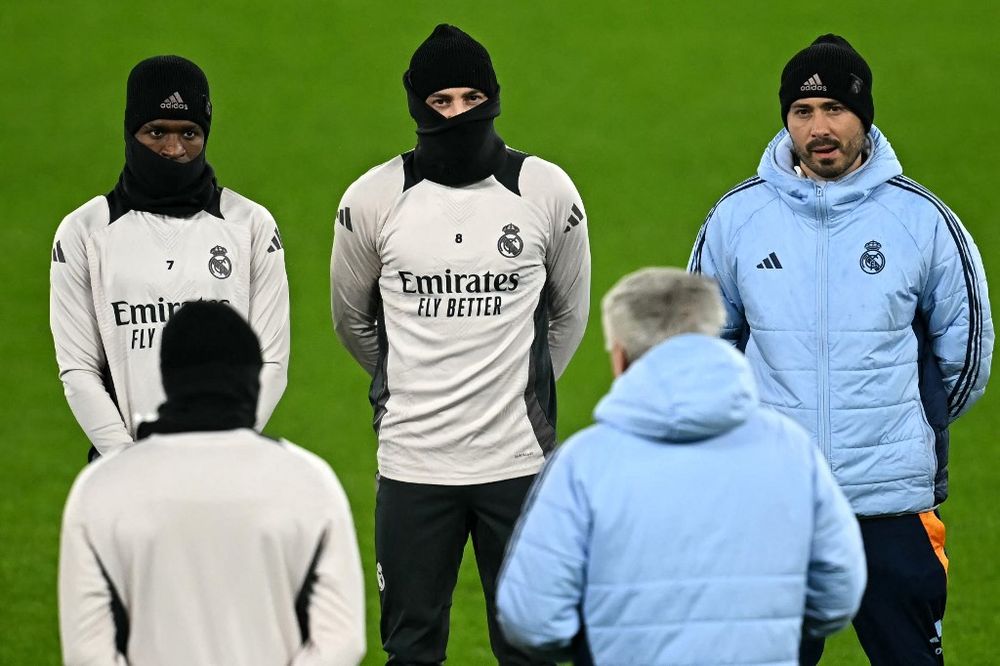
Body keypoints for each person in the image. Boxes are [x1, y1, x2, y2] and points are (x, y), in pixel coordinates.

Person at [688, 35, 993, 664]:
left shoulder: (923, 221)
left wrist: (913, 425)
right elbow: (699, 349)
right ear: (786, 120)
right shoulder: (737, 219)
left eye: (834, 109)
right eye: (803, 112)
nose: (819, 128)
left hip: (891, 502)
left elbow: (966, 353)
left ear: (864, 115)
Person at [330, 24, 591, 665]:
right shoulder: (371, 200)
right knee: (411, 653)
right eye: (441, 101)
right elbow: (351, 321)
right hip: (414, 465)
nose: (456, 115)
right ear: (416, 105)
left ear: (494, 98)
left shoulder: (545, 191)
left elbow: (568, 316)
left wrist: (520, 387)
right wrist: (407, 381)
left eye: (471, 99)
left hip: (518, 465)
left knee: (530, 651)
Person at [496, 267, 866, 664]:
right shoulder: (791, 449)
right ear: (710, 337)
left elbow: (532, 619)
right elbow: (839, 590)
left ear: (619, 355)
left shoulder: (584, 463)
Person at [58, 301, 366, 666]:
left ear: (167, 378)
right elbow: (342, 642)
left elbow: (87, 654)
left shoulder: (100, 490)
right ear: (251, 379)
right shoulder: (310, 482)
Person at [50, 55, 290, 461]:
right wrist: (127, 461)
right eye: (156, 131)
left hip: (225, 464)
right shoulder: (84, 232)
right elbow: (79, 369)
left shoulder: (250, 225)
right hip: (121, 466)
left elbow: (272, 360)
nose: (174, 148)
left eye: (190, 133)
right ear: (130, 131)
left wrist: (225, 444)